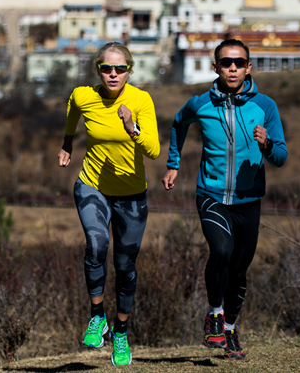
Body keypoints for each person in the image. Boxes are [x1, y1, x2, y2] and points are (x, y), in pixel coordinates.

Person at [162, 38, 287, 360]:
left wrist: (267, 144)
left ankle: (230, 328)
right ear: (215, 66)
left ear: (248, 67)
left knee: (240, 269)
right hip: (212, 194)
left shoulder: (266, 106)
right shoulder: (200, 103)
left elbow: (281, 157)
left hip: (248, 199)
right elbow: (178, 124)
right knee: (221, 250)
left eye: (239, 63)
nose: (233, 68)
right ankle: (214, 313)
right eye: (226, 63)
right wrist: (173, 163)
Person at [58, 42, 160, 366]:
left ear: (130, 70)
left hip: (131, 196)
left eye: (120, 68)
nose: (113, 74)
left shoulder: (141, 100)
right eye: (106, 68)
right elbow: (72, 113)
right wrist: (67, 144)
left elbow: (155, 150)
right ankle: (97, 316)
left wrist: (133, 128)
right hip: (92, 185)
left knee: (126, 267)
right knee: (96, 245)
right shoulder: (82, 95)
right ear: (97, 70)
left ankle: (120, 332)